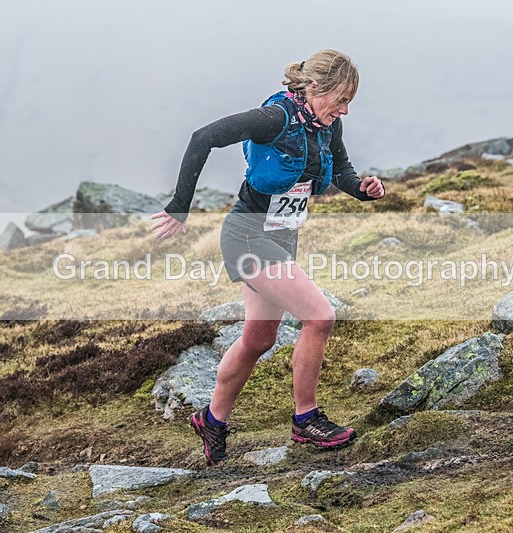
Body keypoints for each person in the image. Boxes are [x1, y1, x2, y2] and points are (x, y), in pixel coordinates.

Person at [151, 49, 385, 465]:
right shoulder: (273, 119)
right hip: (246, 236)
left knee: (259, 339)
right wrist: (180, 205)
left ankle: (212, 419)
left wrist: (362, 188)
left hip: (281, 238)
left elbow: (342, 172)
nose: (345, 109)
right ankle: (306, 421)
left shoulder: (327, 125)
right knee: (320, 316)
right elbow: (202, 137)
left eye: (350, 101)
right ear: (314, 88)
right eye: (340, 98)